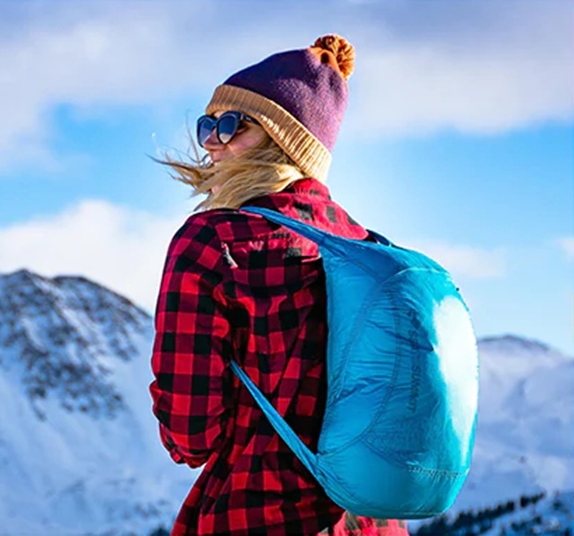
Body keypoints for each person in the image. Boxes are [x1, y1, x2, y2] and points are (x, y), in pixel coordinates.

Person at [149, 35, 410, 535]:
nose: (210, 142)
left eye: (231, 125)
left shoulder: (213, 242)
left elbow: (190, 435)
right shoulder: (369, 248)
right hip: (369, 522)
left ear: (282, 139)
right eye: (207, 125)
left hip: (257, 515)